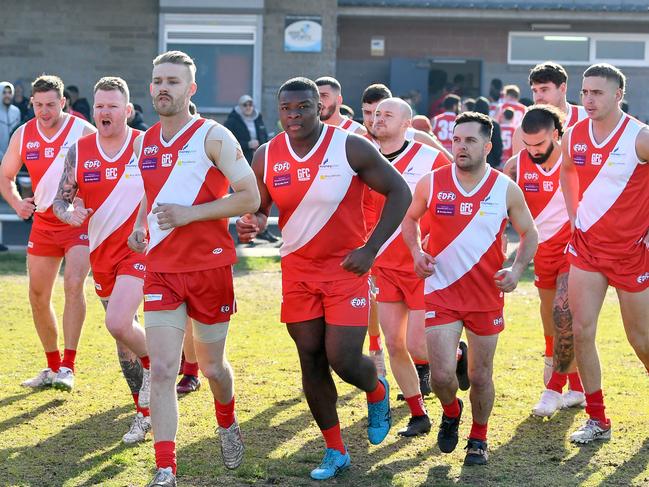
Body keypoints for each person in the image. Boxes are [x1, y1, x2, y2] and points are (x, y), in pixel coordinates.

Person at [236, 77, 412, 480]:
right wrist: (252, 223)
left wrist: (370, 249)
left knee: (343, 358)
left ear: (320, 107)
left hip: (346, 269)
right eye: (286, 109)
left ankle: (377, 389)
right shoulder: (267, 153)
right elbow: (260, 207)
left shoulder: (349, 146)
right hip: (297, 271)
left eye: (302, 108)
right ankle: (335, 450)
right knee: (310, 357)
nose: (293, 116)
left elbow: (399, 191)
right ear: (278, 110)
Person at [127, 50, 260, 486]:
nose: (164, 87)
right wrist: (138, 227)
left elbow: (249, 197)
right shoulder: (145, 141)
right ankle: (165, 467)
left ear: (191, 89)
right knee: (163, 369)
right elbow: (152, 196)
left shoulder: (213, 136)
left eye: (174, 81)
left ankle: (226, 420)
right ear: (151, 87)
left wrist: (190, 214)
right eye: (158, 80)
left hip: (209, 270)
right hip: (162, 269)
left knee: (212, 368)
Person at [402, 111, 538, 466]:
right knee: (442, 376)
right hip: (441, 290)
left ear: (488, 146)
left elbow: (530, 234)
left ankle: (479, 437)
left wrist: (517, 269)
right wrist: (417, 252)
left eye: (470, 141)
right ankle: (451, 411)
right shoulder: (432, 182)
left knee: (480, 375)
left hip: (485, 296)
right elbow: (411, 219)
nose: (461, 147)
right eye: (457, 140)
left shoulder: (504, 188)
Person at [52, 76, 153, 443]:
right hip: (102, 254)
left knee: (118, 321)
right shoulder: (79, 150)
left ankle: (160, 363)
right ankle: (144, 411)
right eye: (99, 106)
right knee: (123, 338)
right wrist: (67, 215)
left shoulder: (144, 145)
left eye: (112, 106)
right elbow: (61, 200)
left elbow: (167, 187)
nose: (104, 112)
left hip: (138, 249)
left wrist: (149, 223)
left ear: (127, 110)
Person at [561, 63, 649, 444]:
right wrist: (573, 214)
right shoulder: (574, 133)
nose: (588, 99)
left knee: (641, 340)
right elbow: (566, 171)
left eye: (597, 92)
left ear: (618, 95)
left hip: (632, 253)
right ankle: (598, 419)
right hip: (587, 250)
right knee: (581, 331)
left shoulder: (640, 137)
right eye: (584, 92)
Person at [0, 75, 95, 391]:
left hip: (77, 222)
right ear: (31, 104)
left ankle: (69, 366)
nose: (44, 111)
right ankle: (52, 366)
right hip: (43, 222)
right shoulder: (24, 133)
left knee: (73, 284)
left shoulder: (82, 131)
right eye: (38, 105)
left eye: (51, 105)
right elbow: (6, 175)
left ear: (63, 102)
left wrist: (87, 200)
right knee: (38, 296)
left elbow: (112, 158)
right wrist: (16, 202)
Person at [370, 97, 451, 436]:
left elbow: (456, 194)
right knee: (394, 343)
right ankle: (418, 413)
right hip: (382, 266)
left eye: (388, 114)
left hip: (421, 264)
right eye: (376, 114)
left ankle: (455, 370)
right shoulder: (362, 158)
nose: (379, 118)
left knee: (419, 345)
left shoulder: (430, 158)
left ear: (407, 124)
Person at [503, 106, 584, 417]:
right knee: (551, 318)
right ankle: (575, 386)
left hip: (575, 248)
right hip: (541, 251)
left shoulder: (575, 158)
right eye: (527, 144)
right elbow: (497, 205)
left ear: (556, 134)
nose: (532, 150)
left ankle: (553, 387)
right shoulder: (516, 165)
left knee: (564, 313)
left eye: (539, 144)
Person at [512, 61, 588, 155]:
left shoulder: (587, 117)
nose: (538, 97)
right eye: (535, 91)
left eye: (544, 90)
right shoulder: (524, 130)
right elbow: (519, 168)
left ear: (562, 88)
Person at [224, 95, 269, 164]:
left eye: (250, 105)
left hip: (258, 157)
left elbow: (264, 137)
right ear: (239, 107)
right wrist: (247, 145)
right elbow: (228, 142)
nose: (248, 107)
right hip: (240, 159)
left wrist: (260, 145)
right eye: (245, 105)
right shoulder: (232, 121)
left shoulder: (258, 119)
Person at [474, 97, 502, 168]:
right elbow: (497, 145)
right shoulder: (494, 124)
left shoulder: (470, 124)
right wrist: (497, 161)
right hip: (490, 161)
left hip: (473, 161)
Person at [0, 82, 21, 160]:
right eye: (4, 92)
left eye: (9, 92)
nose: (7, 95)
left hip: (14, 158)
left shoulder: (16, 111)